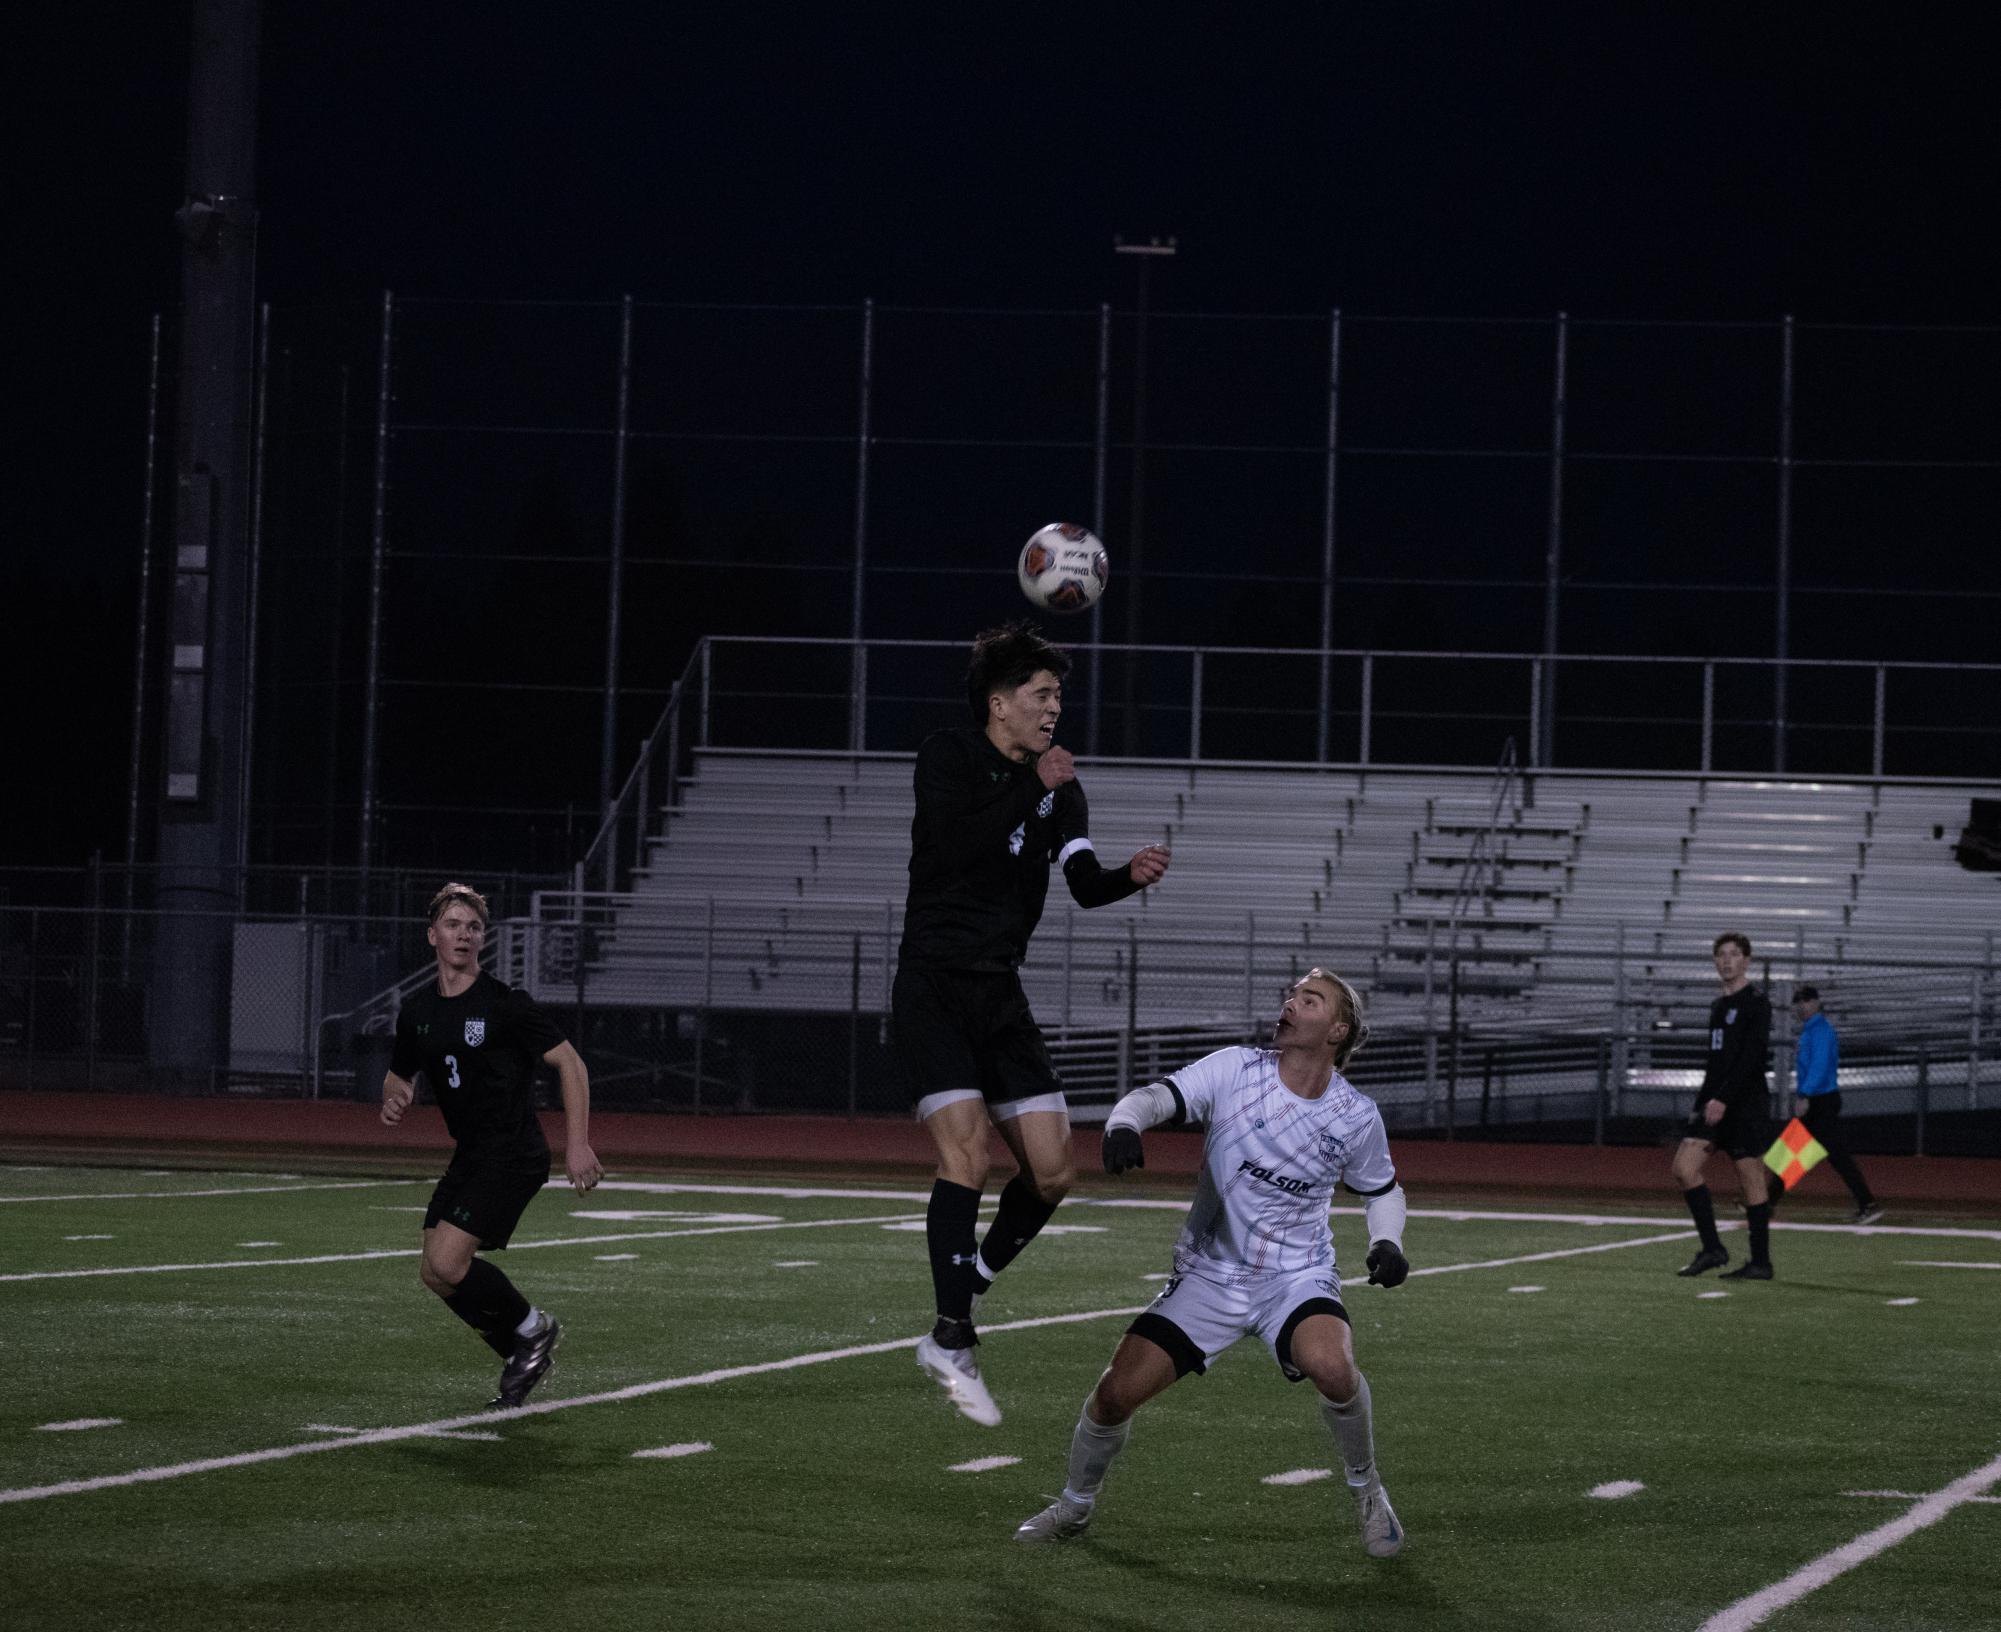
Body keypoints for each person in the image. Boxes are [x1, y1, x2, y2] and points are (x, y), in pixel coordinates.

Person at [1014, 969, 1411, 1559]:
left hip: (1295, 1277)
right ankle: (1074, 1506)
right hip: (1209, 1274)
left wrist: (1388, 1242)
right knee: (1113, 1396)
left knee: (1332, 1367)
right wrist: (1125, 1123)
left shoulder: (1354, 1114)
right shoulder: (1235, 1069)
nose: (1290, 1003)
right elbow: (1155, 1097)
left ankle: (1367, 1489)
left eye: (1309, 999)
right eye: (1291, 994)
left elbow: (1382, 1190)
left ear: (1337, 1030)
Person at [897, 622, 1172, 1426]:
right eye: (1041, 694)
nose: (1055, 707)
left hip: (1000, 994)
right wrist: (1035, 785)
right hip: (935, 984)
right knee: (968, 1153)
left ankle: (965, 1283)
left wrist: (1129, 876)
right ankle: (952, 1334)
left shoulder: (1060, 785)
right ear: (999, 704)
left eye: (1058, 696)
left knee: (1053, 1174)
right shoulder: (947, 756)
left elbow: (1081, 883)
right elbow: (956, 843)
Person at [381, 882, 603, 1407]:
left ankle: (532, 1327)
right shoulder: (417, 1012)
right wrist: (396, 1092)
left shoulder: (505, 1005)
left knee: (452, 1264)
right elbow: (398, 1072)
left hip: (513, 1151)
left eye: (474, 927)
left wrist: (578, 1144)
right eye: (454, 925)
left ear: (483, 939)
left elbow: (572, 1064)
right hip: (472, 1152)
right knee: (434, 1273)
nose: (464, 934)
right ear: (433, 935)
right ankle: (521, 1351)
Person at [1671, 931, 1775, 1280]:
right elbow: (1715, 1062)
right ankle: (1714, 1249)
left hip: (1745, 1105)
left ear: (1747, 960)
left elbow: (1751, 1059)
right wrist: (1701, 1103)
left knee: (1752, 1181)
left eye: (1734, 954)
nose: (1727, 960)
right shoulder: (1718, 1006)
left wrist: (1724, 1099)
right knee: (1684, 1168)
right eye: (1721, 954)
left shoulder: (1757, 1002)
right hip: (1715, 1105)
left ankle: (1760, 1262)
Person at [1788, 985, 1883, 1225]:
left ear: (1817, 1003)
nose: (1802, 1005)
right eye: (1799, 1001)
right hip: (1820, 1100)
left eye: (1807, 1001)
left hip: (1821, 1101)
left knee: (1813, 1154)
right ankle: (1764, 1201)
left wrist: (1804, 1095)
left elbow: (1819, 1066)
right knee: (1794, 1152)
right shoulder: (1813, 1030)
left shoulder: (1819, 1031)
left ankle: (1868, 1202)